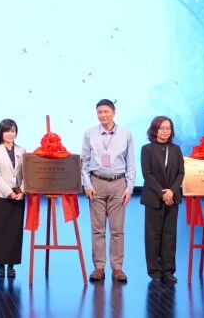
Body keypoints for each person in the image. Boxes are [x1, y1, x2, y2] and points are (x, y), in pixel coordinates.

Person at [80, 99, 135, 283]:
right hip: (96, 183)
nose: (102, 115)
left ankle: (117, 268)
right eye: (99, 112)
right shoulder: (89, 133)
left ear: (114, 112)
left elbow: (131, 164)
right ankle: (99, 267)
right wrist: (87, 184)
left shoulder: (126, 134)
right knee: (98, 230)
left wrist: (129, 187)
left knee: (117, 230)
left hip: (118, 184)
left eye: (106, 112)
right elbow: (84, 162)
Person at [139, 116, 184, 283]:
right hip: (154, 198)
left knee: (169, 235)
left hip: (172, 197)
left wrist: (171, 191)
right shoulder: (147, 149)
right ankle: (154, 270)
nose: (165, 131)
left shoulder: (176, 149)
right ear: (155, 130)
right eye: (162, 128)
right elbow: (147, 174)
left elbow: (181, 173)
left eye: (168, 128)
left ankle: (168, 270)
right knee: (153, 235)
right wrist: (162, 193)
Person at [0, 118, 25, 278]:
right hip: (1, 196)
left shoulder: (22, 150)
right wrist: (9, 193)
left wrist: (22, 191)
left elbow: (26, 174)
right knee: (0, 231)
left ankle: (11, 266)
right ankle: (0, 265)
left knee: (14, 232)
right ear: (1, 133)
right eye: (7, 131)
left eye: (13, 131)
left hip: (19, 196)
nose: (10, 134)